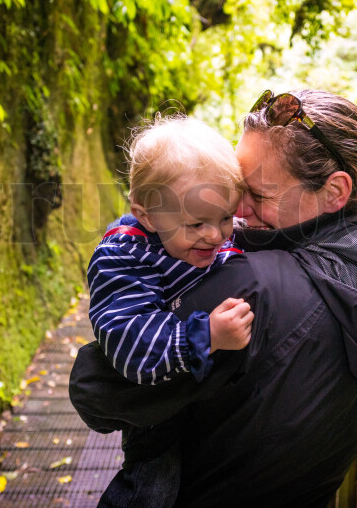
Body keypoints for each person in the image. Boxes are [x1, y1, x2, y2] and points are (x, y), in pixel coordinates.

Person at [71, 89, 357, 508]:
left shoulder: (252, 285)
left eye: (258, 194)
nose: (235, 211)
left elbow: (95, 392)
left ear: (334, 191)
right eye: (234, 187)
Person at [87, 115, 255, 508]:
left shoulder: (201, 234)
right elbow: (130, 345)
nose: (215, 235)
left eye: (226, 218)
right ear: (147, 216)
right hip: (156, 414)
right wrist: (207, 335)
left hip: (200, 399)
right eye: (197, 223)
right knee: (152, 491)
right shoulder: (123, 257)